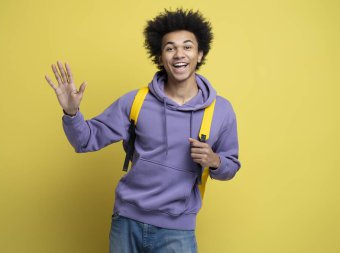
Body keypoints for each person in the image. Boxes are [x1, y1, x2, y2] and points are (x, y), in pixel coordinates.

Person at [45, 8, 241, 253]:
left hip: (177, 231)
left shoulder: (221, 110)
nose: (179, 54)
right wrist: (71, 114)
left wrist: (214, 161)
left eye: (187, 46)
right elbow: (85, 141)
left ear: (200, 54)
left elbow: (230, 167)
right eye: (170, 48)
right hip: (127, 222)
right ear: (160, 57)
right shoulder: (135, 102)